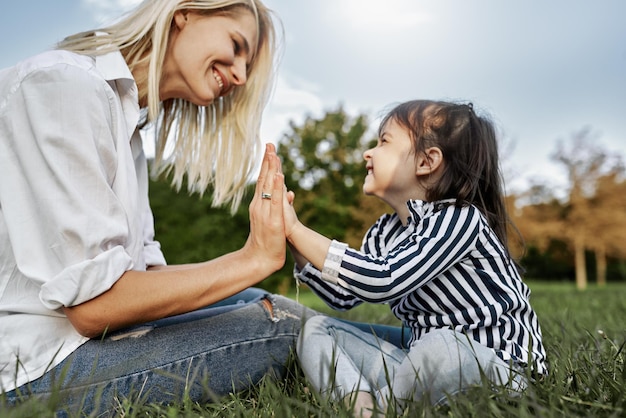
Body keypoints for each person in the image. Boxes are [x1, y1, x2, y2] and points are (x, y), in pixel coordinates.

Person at [0, 0, 316, 414]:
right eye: (237, 45)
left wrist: (246, 270)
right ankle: (414, 359)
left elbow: (144, 278)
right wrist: (252, 258)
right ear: (185, 13)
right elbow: (94, 307)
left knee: (252, 299)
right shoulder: (64, 85)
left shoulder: (125, 124)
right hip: (31, 369)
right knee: (281, 325)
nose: (240, 75)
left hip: (73, 344)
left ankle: (419, 344)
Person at [283, 100, 548, 416]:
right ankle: (363, 408)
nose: (368, 152)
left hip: (501, 372)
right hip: (421, 366)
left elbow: (383, 279)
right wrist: (290, 238)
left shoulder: (460, 220)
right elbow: (343, 295)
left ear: (426, 161)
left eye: (383, 141)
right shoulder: (385, 231)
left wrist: (298, 229)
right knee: (316, 329)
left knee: (443, 345)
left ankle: (383, 404)